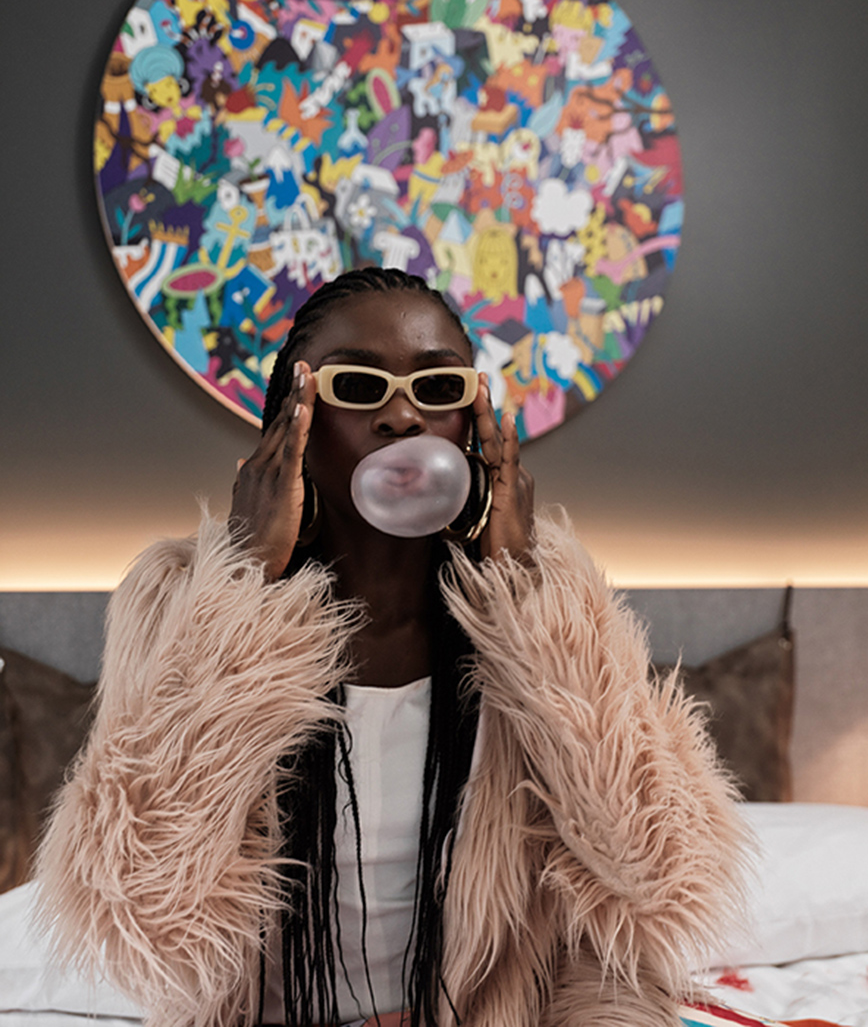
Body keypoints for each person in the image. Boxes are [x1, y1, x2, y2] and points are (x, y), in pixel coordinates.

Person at [36, 268, 748, 1027]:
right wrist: (241, 589)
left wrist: (529, 596)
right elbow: (143, 915)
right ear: (290, 424)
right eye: (357, 386)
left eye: (438, 389)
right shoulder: (180, 602)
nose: (403, 415)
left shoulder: (546, 618)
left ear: (468, 424)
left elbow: (660, 878)